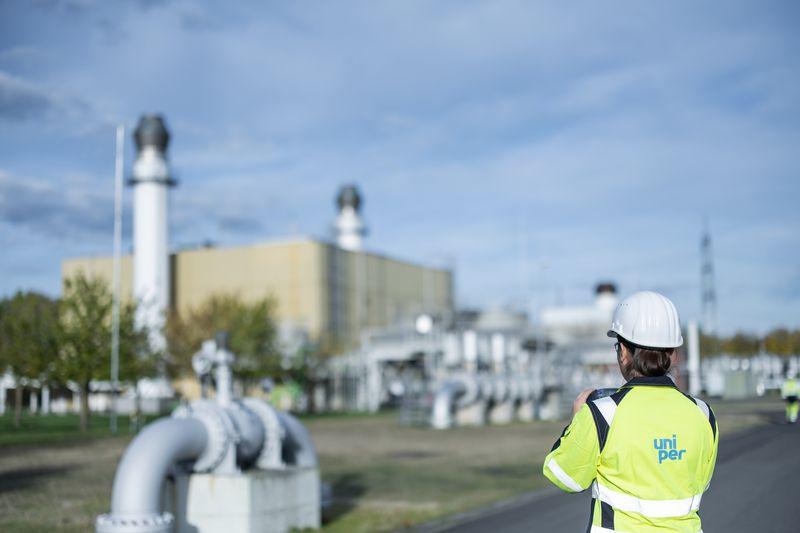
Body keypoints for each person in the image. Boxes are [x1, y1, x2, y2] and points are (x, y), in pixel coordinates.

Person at [543, 291, 718, 533]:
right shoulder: (703, 414)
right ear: (673, 354)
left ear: (624, 352)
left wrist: (576, 420)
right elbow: (700, 480)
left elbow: (564, 475)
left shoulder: (602, 414)